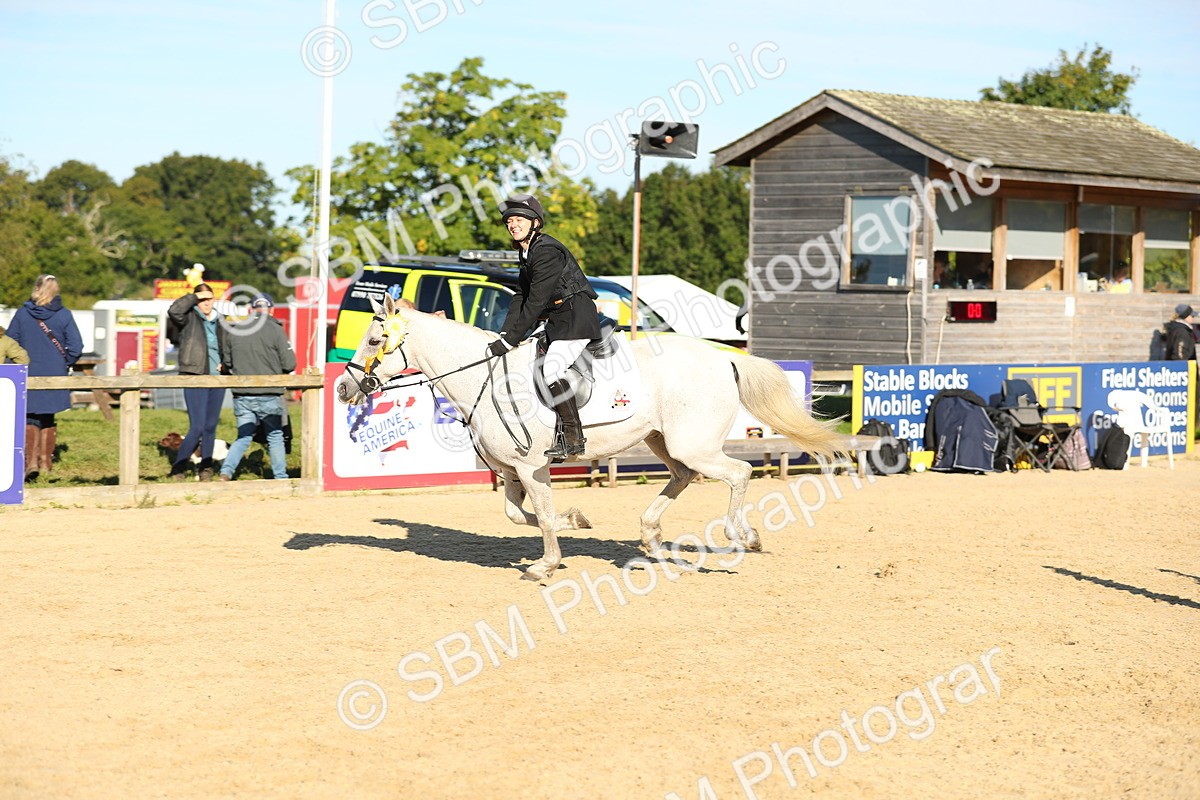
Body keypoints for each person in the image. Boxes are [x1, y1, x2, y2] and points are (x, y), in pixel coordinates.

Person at [487, 193, 600, 459]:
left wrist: (510, 340)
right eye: (509, 221)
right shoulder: (527, 252)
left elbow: (536, 301)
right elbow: (521, 296)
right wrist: (505, 333)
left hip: (575, 316)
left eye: (519, 220)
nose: (513, 225)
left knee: (552, 369)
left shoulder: (546, 251)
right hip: (559, 318)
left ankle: (574, 437)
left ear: (535, 222)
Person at [6, 275, 83, 481]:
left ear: (36, 289)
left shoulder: (22, 314)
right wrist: (64, 361)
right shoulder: (64, 315)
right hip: (54, 371)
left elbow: (11, 342)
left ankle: (30, 463)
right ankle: (46, 463)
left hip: (27, 370)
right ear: (55, 290)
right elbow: (76, 346)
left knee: (29, 416)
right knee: (49, 415)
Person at [218, 294, 296, 481]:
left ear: (251, 309)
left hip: (242, 394)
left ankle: (226, 472)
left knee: (244, 436)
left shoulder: (235, 330)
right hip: (270, 393)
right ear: (272, 310)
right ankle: (280, 476)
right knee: (275, 436)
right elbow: (289, 364)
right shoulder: (276, 330)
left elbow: (227, 363)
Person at [167, 283, 228, 481]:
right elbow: (174, 310)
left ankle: (206, 467)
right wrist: (193, 297)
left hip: (217, 378)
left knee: (210, 426)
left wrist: (226, 364)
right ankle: (179, 466)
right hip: (194, 375)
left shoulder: (221, 320)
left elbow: (228, 345)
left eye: (209, 298)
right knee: (197, 427)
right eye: (202, 299)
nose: (206, 303)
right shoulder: (188, 318)